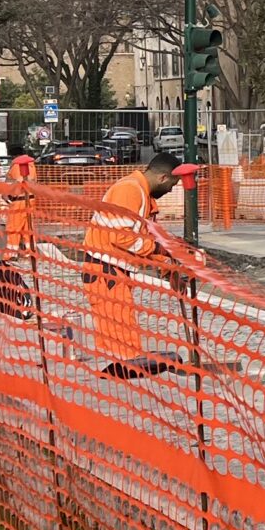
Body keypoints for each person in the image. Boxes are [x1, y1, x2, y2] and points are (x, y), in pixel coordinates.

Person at [82, 147, 184, 376]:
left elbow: (146, 240)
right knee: (120, 333)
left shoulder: (143, 196)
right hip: (105, 271)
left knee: (122, 328)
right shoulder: (129, 190)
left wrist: (169, 267)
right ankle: (123, 371)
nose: (171, 190)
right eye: (172, 184)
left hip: (113, 271)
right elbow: (123, 238)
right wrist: (161, 250)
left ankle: (123, 370)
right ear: (163, 177)